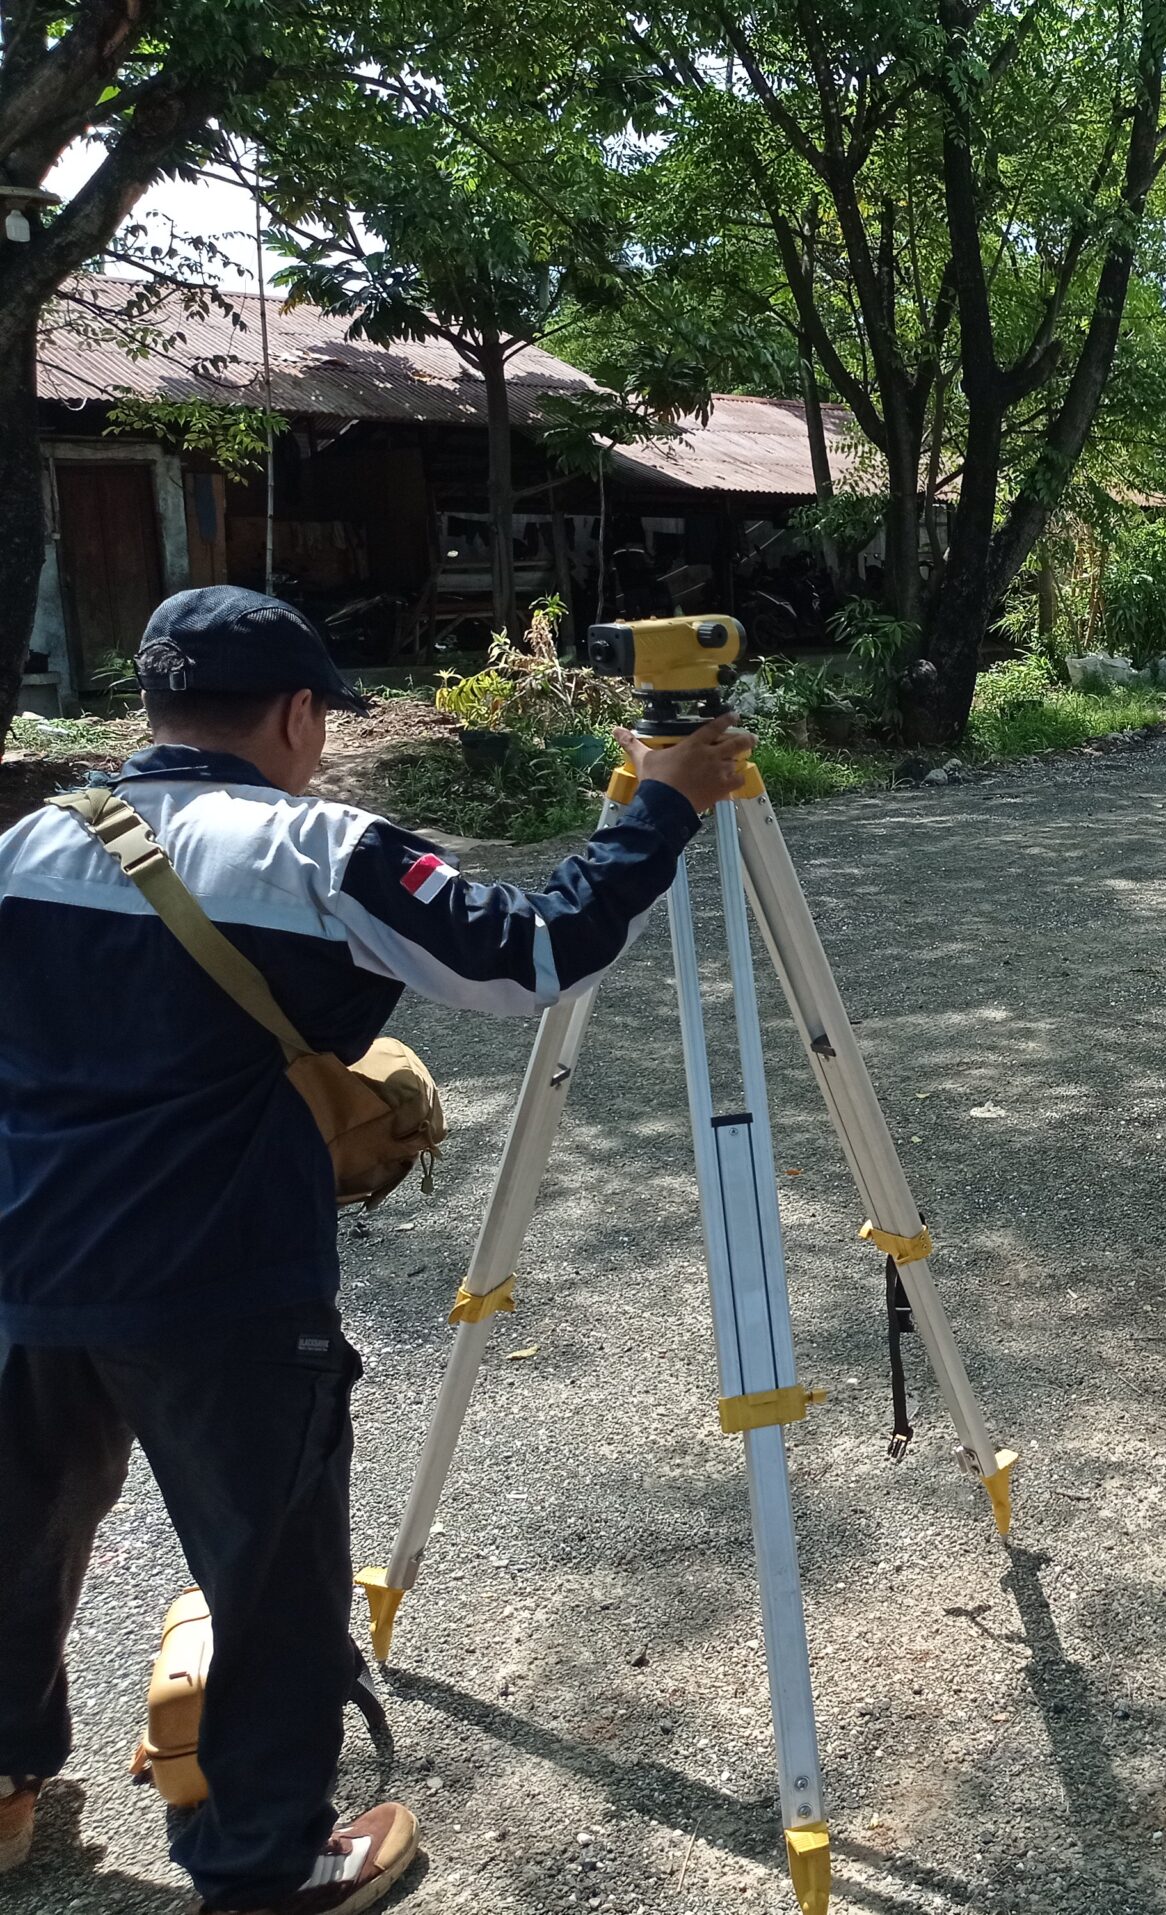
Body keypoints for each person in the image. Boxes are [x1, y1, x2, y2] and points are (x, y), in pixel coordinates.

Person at [0, 588, 752, 1912]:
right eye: (321, 723)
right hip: (217, 1283)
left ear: (154, 709)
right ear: (295, 715)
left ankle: (2, 1777)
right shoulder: (317, 849)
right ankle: (269, 1862)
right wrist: (662, 805)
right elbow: (537, 953)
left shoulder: (30, 842)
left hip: (24, 1260)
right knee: (270, 1572)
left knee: (14, 1524)